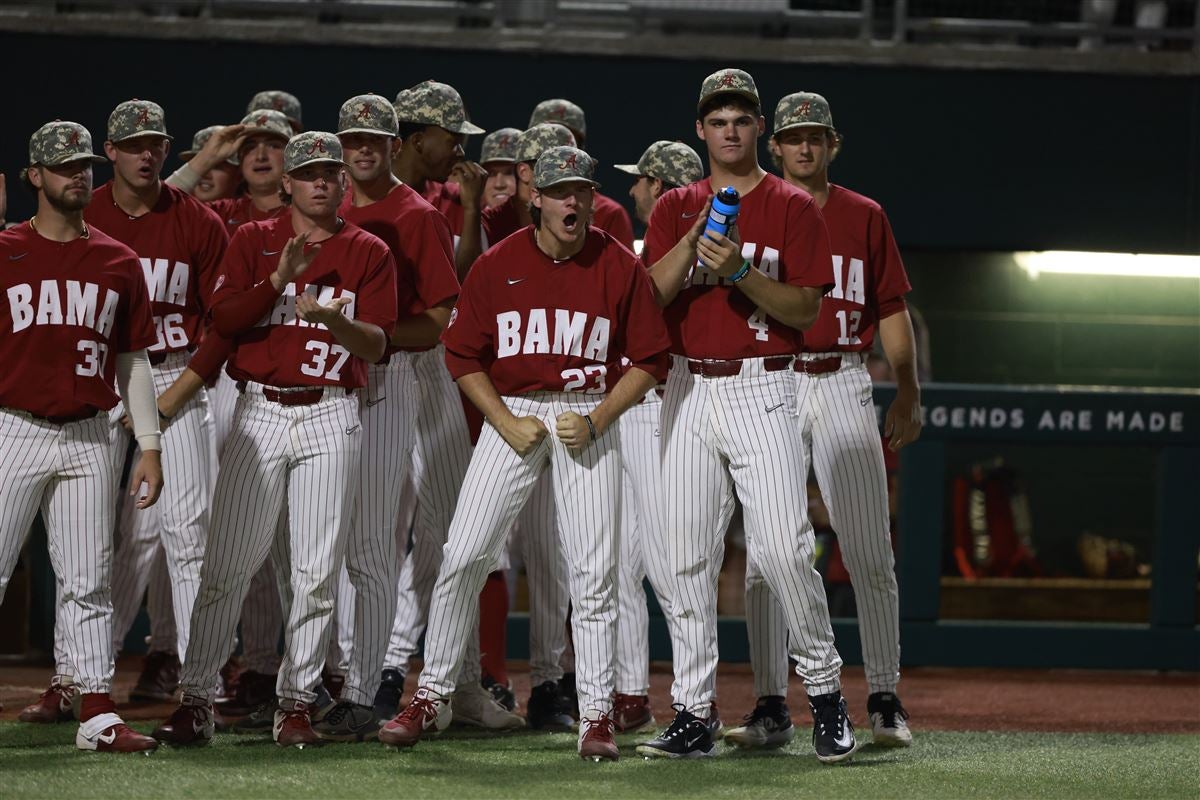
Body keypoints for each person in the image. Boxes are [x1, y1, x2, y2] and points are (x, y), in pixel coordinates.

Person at [379, 145, 670, 762]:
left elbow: (649, 360)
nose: (573, 201)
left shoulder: (618, 265)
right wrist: (505, 420)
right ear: (535, 197)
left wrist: (597, 419)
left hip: (586, 411)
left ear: (594, 198)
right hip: (513, 413)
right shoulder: (498, 263)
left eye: (583, 191)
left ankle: (595, 713)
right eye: (561, 190)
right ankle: (430, 694)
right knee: (463, 555)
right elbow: (460, 354)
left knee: (592, 574)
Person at [635, 68, 855, 763]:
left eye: (741, 118)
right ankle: (694, 713)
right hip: (686, 388)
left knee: (787, 551)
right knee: (685, 559)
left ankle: (825, 695)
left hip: (763, 386)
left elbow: (806, 311)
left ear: (758, 128)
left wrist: (737, 272)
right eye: (717, 119)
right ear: (700, 130)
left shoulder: (792, 206)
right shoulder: (675, 207)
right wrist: (694, 236)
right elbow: (647, 299)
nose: (730, 129)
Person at [153, 130, 397, 749]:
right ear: (287, 183)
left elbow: (379, 345)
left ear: (343, 183)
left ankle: (295, 703)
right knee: (227, 565)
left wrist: (337, 320)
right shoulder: (253, 239)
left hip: (330, 413)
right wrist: (277, 281)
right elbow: (224, 322)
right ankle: (198, 696)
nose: (320, 182)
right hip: (258, 410)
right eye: (308, 173)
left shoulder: (368, 250)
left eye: (329, 173)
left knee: (316, 571)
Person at [725, 91, 920, 749]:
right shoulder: (755, 210)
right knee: (763, 559)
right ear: (773, 145)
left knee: (868, 548)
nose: (805, 147)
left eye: (816, 136)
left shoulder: (865, 215)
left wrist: (907, 390)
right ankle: (771, 703)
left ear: (832, 144)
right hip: (768, 379)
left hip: (840, 375)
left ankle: (886, 696)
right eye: (793, 137)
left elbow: (889, 307)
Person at [0, 120, 163, 753]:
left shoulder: (119, 260)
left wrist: (148, 444)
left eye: (85, 165)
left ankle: (96, 713)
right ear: (34, 175)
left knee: (89, 577)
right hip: (13, 426)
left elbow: (134, 360)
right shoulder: (5, 249)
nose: (78, 175)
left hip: (94, 435)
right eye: (63, 165)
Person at [309, 93, 464, 741]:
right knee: (324, 537)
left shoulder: (416, 214)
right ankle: (323, 672)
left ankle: (370, 680)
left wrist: (367, 335)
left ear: (395, 144)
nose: (364, 147)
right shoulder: (327, 205)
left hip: (388, 374)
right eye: (353, 137)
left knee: (373, 537)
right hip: (320, 375)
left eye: (376, 137)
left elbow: (436, 319)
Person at [80, 99, 229, 705]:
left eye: (156, 144)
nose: (146, 153)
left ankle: (200, 678)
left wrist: (175, 397)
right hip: (96, 378)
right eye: (134, 143)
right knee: (87, 534)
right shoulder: (87, 213)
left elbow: (222, 326)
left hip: (174, 375)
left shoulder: (199, 223)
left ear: (167, 152)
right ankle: (81, 674)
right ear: (109, 152)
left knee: (186, 534)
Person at [605, 140, 704, 733]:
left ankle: (699, 700)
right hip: (638, 405)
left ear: (662, 186)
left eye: (641, 181)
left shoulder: (698, 249)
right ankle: (631, 695)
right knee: (621, 562)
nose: (633, 191)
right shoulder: (650, 246)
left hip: (669, 400)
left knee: (672, 564)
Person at [391, 80, 487, 278]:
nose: (460, 153)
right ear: (418, 141)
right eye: (453, 142)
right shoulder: (364, 194)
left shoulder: (458, 200)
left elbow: (469, 284)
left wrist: (472, 210)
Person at [528, 99, 634, 247]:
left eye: (566, 139)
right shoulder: (504, 209)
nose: (555, 144)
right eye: (545, 136)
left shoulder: (609, 213)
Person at [479, 127, 521, 210]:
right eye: (491, 174)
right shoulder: (467, 221)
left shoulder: (548, 221)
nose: (499, 184)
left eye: (509, 173)